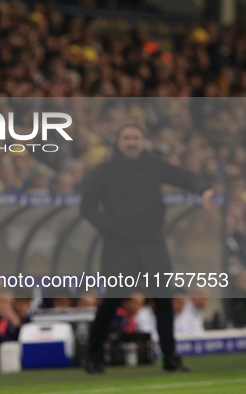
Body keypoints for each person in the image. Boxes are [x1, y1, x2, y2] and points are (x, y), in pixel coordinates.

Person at [80, 123, 214, 374]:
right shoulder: (104, 171)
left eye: (136, 138)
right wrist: (110, 228)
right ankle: (94, 357)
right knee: (112, 301)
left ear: (144, 141)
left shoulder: (155, 166)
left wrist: (202, 189)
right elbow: (87, 206)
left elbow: (183, 177)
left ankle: (170, 358)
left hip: (152, 244)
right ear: (118, 142)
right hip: (119, 246)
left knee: (164, 301)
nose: (131, 142)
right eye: (126, 138)